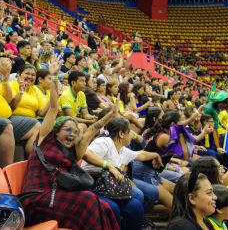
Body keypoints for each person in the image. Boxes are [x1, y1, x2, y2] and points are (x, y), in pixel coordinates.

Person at [22, 79, 120, 229]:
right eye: (68, 130)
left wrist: (111, 115)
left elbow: (91, 131)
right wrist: (54, 78)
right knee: (88, 200)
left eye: (75, 132)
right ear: (56, 131)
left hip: (57, 196)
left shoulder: (72, 151)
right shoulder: (44, 140)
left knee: (104, 207)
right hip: (36, 199)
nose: (72, 135)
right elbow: (54, 108)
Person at [82, 116, 163, 230]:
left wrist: (156, 155)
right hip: (92, 185)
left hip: (109, 187)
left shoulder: (122, 149)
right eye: (129, 132)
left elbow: (141, 154)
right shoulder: (105, 141)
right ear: (121, 134)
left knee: (136, 206)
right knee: (115, 206)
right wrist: (108, 165)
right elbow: (86, 153)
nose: (131, 135)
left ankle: (129, 224)